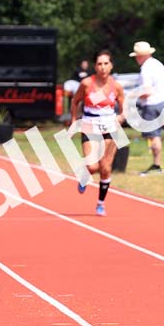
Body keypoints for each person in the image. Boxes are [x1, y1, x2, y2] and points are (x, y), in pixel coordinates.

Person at [70, 49, 125, 216]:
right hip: (90, 125)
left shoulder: (116, 86)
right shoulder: (87, 84)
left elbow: (124, 108)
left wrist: (121, 117)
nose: (103, 67)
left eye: (106, 64)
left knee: (105, 168)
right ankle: (85, 174)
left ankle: (100, 204)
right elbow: (75, 101)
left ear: (111, 65)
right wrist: (73, 121)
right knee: (92, 165)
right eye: (99, 64)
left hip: (109, 127)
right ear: (95, 66)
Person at [130, 41, 164, 175]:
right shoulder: (158, 64)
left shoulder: (146, 68)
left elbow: (146, 91)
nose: (136, 59)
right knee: (156, 135)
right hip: (161, 101)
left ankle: (156, 165)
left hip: (152, 103)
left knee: (153, 136)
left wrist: (133, 96)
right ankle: (156, 164)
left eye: (137, 56)